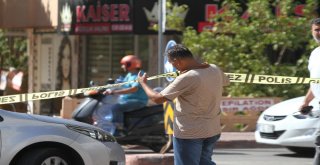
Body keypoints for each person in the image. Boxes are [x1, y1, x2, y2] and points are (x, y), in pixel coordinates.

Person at [137, 44, 230, 165]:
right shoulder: (214, 68)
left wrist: (143, 83)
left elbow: (157, 98)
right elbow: (226, 82)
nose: (174, 67)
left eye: (172, 64)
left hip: (190, 132)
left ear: (178, 61)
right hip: (212, 129)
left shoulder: (188, 77)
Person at [103, 55, 148, 136]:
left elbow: (134, 89)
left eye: (124, 64)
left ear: (131, 64)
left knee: (116, 108)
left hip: (138, 101)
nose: (122, 66)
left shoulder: (139, 74)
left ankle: (119, 131)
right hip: (127, 100)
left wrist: (115, 92)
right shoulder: (129, 74)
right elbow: (122, 84)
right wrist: (110, 87)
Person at [300, 18, 320, 165]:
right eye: (317, 29)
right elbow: (315, 81)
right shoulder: (315, 54)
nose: (319, 33)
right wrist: (306, 101)